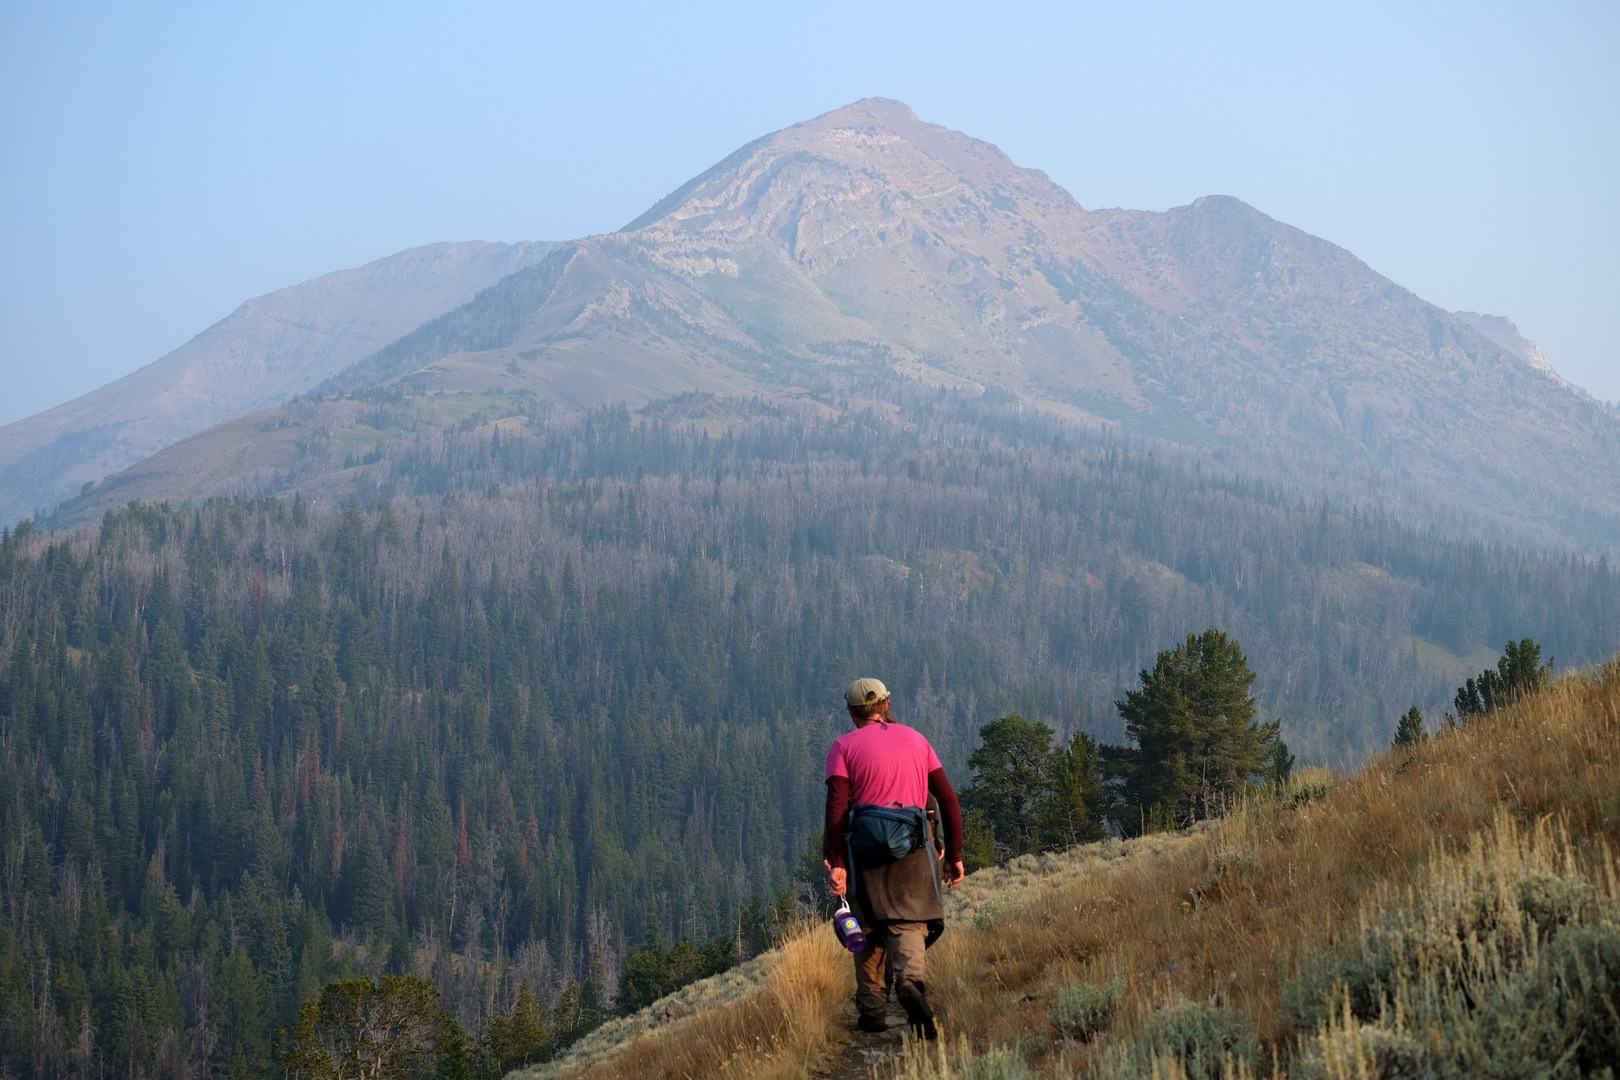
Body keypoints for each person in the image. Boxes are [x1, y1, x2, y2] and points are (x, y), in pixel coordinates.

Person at [824, 677, 965, 1038]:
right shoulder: (917, 740)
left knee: (868, 925)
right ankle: (911, 982)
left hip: (864, 852)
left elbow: (837, 808)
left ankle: (872, 1011)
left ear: (852, 713)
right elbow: (948, 800)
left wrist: (836, 860)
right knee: (909, 922)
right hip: (914, 848)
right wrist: (955, 855)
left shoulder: (843, 747)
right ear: (886, 706)